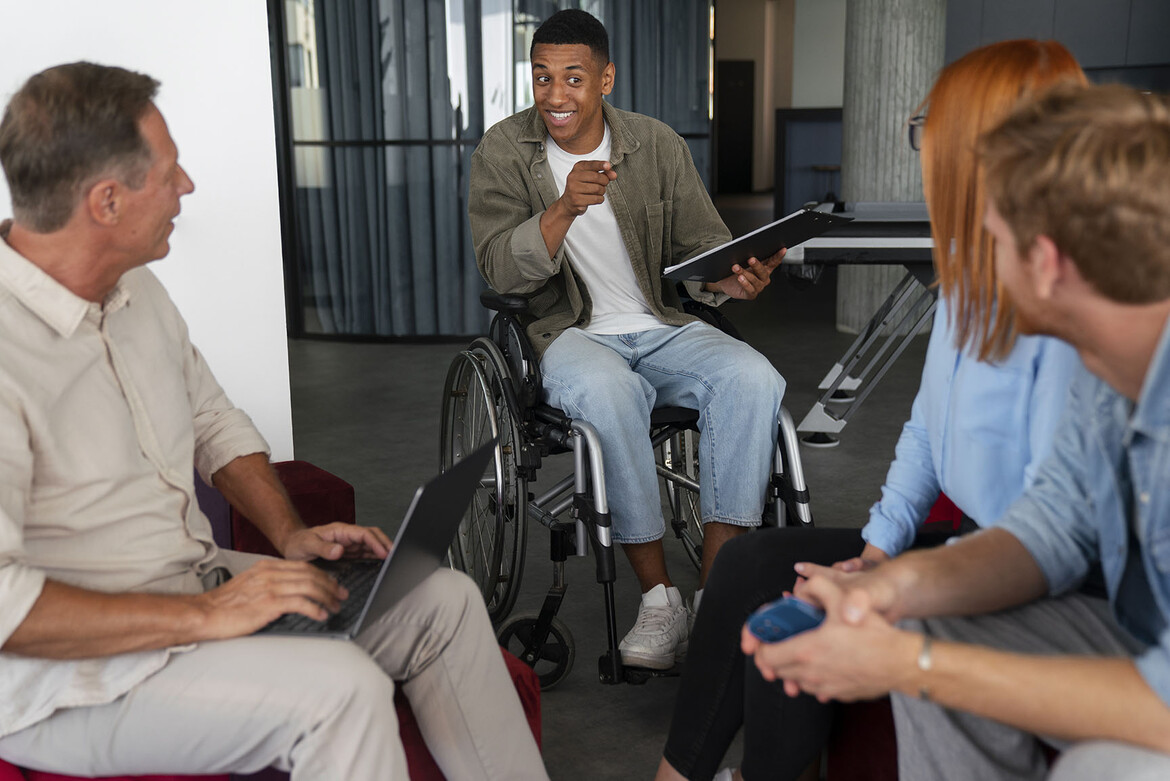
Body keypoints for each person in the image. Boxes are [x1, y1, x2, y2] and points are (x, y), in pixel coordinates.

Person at [0, 62, 547, 780]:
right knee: (340, 692)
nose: (187, 186)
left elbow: (213, 421)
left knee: (438, 597)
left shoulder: (137, 289)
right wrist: (208, 615)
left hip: (191, 585)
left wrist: (289, 536)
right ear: (106, 201)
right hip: (72, 682)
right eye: (169, 172)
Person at [656, 40, 1086, 781]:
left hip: (1018, 566)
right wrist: (881, 550)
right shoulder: (971, 271)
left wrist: (888, 584)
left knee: (806, 605)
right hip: (960, 545)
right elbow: (924, 430)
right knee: (753, 565)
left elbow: (1046, 528)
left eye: (932, 133)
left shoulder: (1069, 306)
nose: (923, 153)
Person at [748, 82, 1170, 780]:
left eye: (993, 236)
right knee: (920, 619)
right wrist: (891, 588)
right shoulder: (1107, 369)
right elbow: (1050, 532)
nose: (972, 255)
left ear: (1046, 261)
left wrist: (911, 664)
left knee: (1104, 767)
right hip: (1135, 629)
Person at [468, 8, 786, 670]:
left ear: (606, 78)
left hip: (661, 323)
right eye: (543, 78)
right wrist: (561, 208)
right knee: (613, 391)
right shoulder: (504, 150)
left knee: (755, 377)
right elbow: (498, 266)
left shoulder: (655, 144)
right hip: (567, 333)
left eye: (574, 78)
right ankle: (660, 599)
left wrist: (734, 279)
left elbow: (704, 250)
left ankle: (718, 594)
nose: (556, 96)